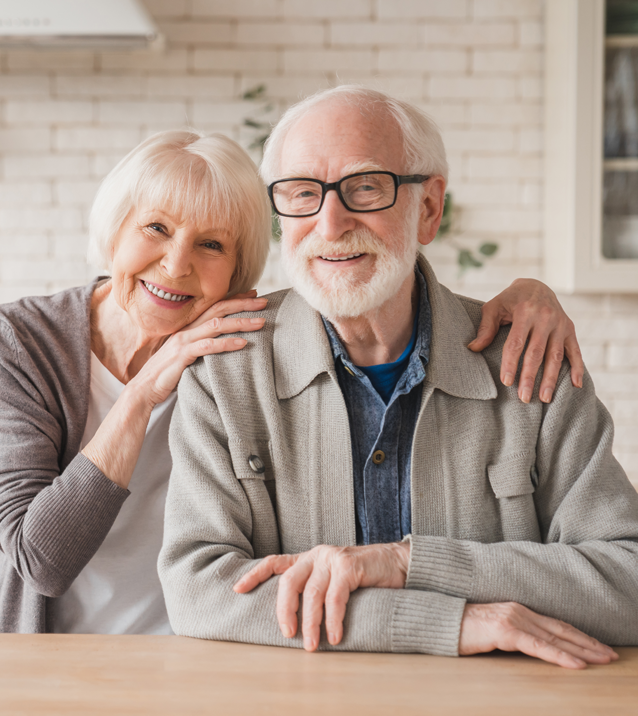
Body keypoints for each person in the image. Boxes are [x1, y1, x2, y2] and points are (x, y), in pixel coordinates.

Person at [0, 127, 584, 636]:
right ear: (115, 228)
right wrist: (140, 394)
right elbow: (38, 560)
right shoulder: (19, 340)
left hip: (208, 655)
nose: (176, 265)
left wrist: (534, 293)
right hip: (50, 657)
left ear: (239, 276)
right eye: (154, 229)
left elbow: (371, 291)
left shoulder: (235, 346)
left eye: (210, 244)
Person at [158, 86, 638, 668]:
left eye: (365, 187)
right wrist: (449, 621)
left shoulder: (530, 365)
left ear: (429, 208)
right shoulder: (224, 370)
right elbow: (198, 593)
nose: (329, 224)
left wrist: (410, 563)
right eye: (302, 193)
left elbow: (627, 582)